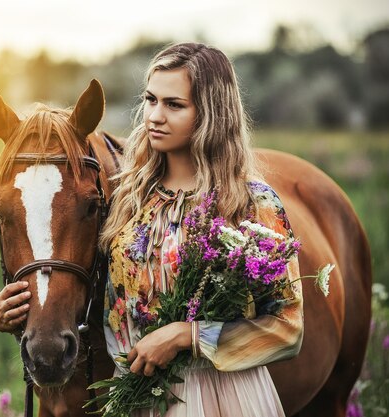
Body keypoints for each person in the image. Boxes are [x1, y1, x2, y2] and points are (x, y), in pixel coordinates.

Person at [97, 42, 303, 416]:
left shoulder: (251, 204)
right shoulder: (128, 195)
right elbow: (93, 297)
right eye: (150, 99)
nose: (155, 116)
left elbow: (288, 329)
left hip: (224, 397)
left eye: (174, 105)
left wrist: (187, 336)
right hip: (138, 396)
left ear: (211, 114)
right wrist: (13, 313)